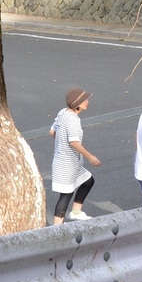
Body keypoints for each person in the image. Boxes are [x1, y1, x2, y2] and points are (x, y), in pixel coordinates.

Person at [49, 88, 101, 224]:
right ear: (77, 104)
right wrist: (90, 156)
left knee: (88, 181)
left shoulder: (63, 113)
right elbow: (73, 142)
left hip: (70, 162)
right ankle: (57, 228)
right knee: (66, 195)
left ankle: (76, 212)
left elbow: (52, 131)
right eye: (85, 100)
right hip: (66, 164)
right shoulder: (72, 120)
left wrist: (61, 144)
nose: (87, 102)